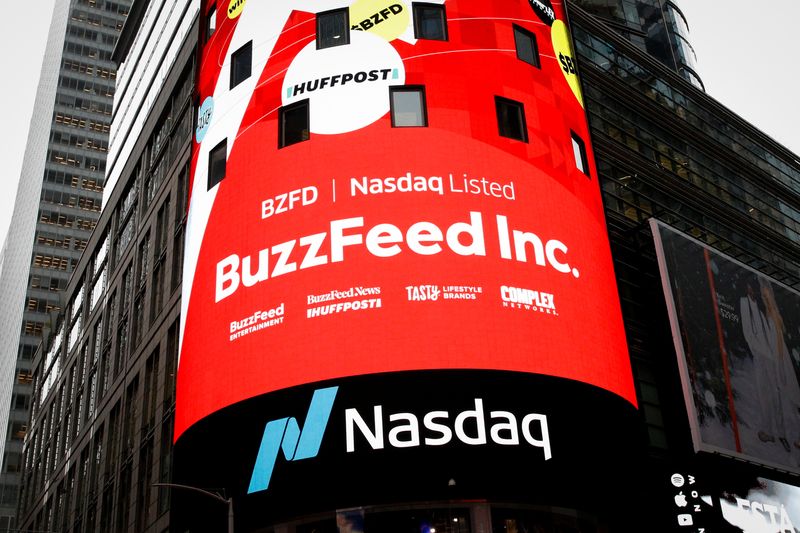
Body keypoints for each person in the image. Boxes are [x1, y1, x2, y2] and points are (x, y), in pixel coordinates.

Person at [739, 280, 780, 445]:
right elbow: (748, 332)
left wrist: (772, 350)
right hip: (760, 355)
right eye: (748, 287)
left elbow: (770, 329)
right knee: (764, 393)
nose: (751, 290)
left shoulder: (763, 305)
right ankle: (768, 430)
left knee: (775, 392)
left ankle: (780, 431)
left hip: (770, 354)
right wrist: (760, 350)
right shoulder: (744, 303)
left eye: (752, 288)